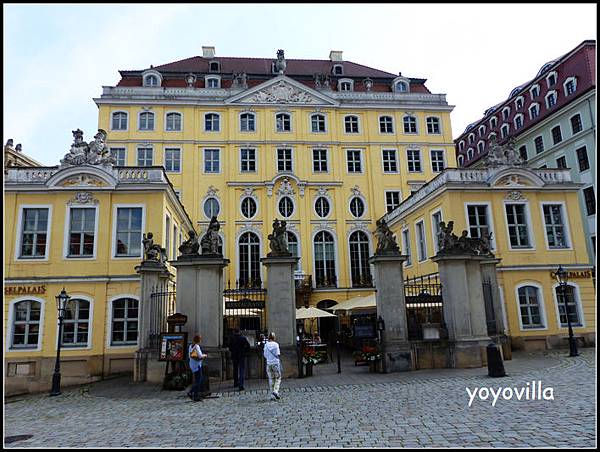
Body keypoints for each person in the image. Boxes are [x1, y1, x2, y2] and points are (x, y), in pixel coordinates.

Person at [263, 332, 282, 400]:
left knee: (271, 379)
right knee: (278, 378)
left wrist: (269, 358)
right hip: (275, 363)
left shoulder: (266, 345)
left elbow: (265, 355)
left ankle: (272, 395)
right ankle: (275, 391)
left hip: (269, 363)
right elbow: (278, 354)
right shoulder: (276, 345)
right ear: (274, 337)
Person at [188, 335, 207, 402]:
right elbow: (200, 356)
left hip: (192, 364)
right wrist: (205, 355)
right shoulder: (197, 346)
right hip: (197, 365)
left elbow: (190, 355)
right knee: (198, 380)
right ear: (199, 340)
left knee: (198, 379)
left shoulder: (191, 346)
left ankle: (193, 393)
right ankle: (194, 394)